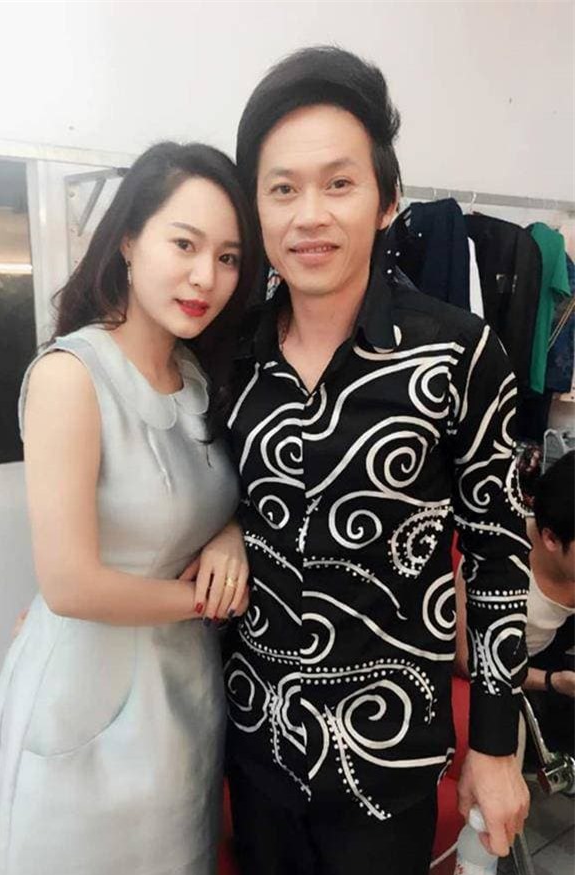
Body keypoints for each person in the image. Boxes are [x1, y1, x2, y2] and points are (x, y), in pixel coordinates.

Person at [222, 46, 530, 875]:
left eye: (338, 183)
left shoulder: (460, 355)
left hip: (386, 763)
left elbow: (499, 555)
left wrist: (495, 745)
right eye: (282, 189)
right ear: (256, 208)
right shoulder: (231, 357)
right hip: (254, 745)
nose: (309, 215)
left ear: (388, 199)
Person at [0, 141, 258, 875]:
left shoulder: (198, 376)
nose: (206, 276)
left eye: (228, 257)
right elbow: (70, 585)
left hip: (184, 694)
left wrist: (230, 535)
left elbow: (212, 497)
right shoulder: (72, 376)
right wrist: (216, 600)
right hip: (86, 695)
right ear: (130, 240)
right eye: (184, 244)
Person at [457, 450, 575, 758]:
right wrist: (552, 682)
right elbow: (466, 660)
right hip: (502, 672)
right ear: (551, 539)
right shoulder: (495, 557)